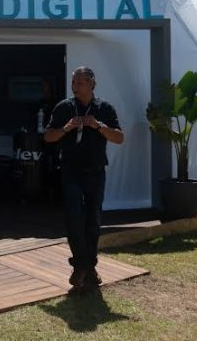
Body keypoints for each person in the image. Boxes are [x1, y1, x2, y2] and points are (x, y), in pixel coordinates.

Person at [44, 66, 124, 290]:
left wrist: (97, 125)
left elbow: (119, 137)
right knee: (73, 218)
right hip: (71, 170)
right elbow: (49, 137)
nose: (75, 87)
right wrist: (66, 128)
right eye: (73, 83)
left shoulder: (104, 108)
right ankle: (82, 266)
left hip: (96, 171)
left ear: (91, 83)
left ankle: (87, 267)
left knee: (93, 219)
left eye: (79, 83)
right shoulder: (64, 107)